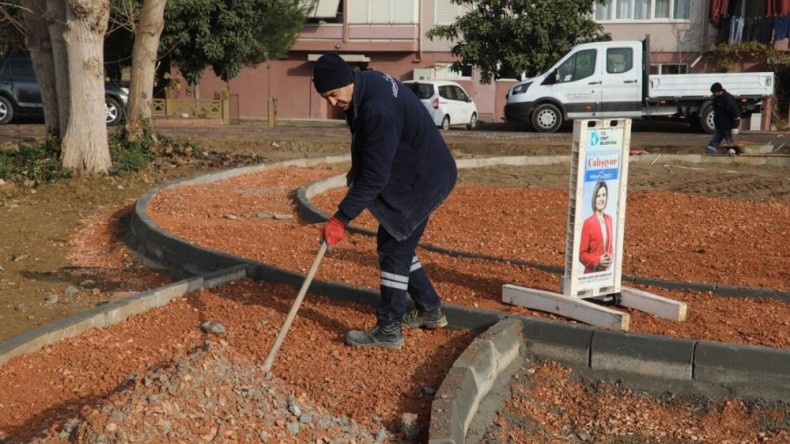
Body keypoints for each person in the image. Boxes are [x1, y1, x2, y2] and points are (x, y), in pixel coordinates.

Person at [312, 53, 457, 349]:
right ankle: (430, 309)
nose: (332, 103)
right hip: (416, 168)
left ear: (347, 81)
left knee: (393, 248)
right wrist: (357, 164)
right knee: (396, 243)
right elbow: (362, 137)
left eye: (334, 95)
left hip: (423, 179)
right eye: (325, 97)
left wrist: (341, 219)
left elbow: (376, 178)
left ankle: (389, 328)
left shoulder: (379, 109)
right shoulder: (364, 85)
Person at [579, 181, 614, 274]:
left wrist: (610, 257)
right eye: (598, 196)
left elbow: (610, 247)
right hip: (591, 275)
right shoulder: (588, 223)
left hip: (605, 275)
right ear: (594, 198)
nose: (601, 199)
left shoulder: (609, 220)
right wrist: (598, 260)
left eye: (604, 195)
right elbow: (582, 255)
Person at [706, 82, 742, 155]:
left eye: (714, 92)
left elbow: (735, 112)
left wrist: (735, 126)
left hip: (728, 127)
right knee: (713, 142)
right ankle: (708, 155)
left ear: (719, 91)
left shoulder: (727, 99)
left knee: (732, 144)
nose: (713, 94)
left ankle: (737, 158)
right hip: (719, 126)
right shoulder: (716, 99)